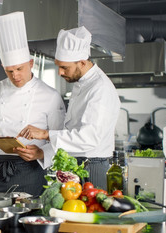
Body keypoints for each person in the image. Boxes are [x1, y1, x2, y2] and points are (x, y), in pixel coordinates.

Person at [0, 12, 65, 197]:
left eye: (19, 69)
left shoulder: (50, 96)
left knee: (26, 223)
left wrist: (41, 153)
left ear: (31, 63)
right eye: (9, 71)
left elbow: (60, 138)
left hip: (30, 171)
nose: (15, 76)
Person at [15, 26, 121, 190]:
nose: (60, 73)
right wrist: (44, 152)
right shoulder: (82, 84)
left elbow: (89, 138)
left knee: (91, 215)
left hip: (91, 168)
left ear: (82, 63)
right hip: (76, 165)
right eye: (58, 66)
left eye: (65, 67)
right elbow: (71, 131)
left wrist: (45, 134)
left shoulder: (100, 88)